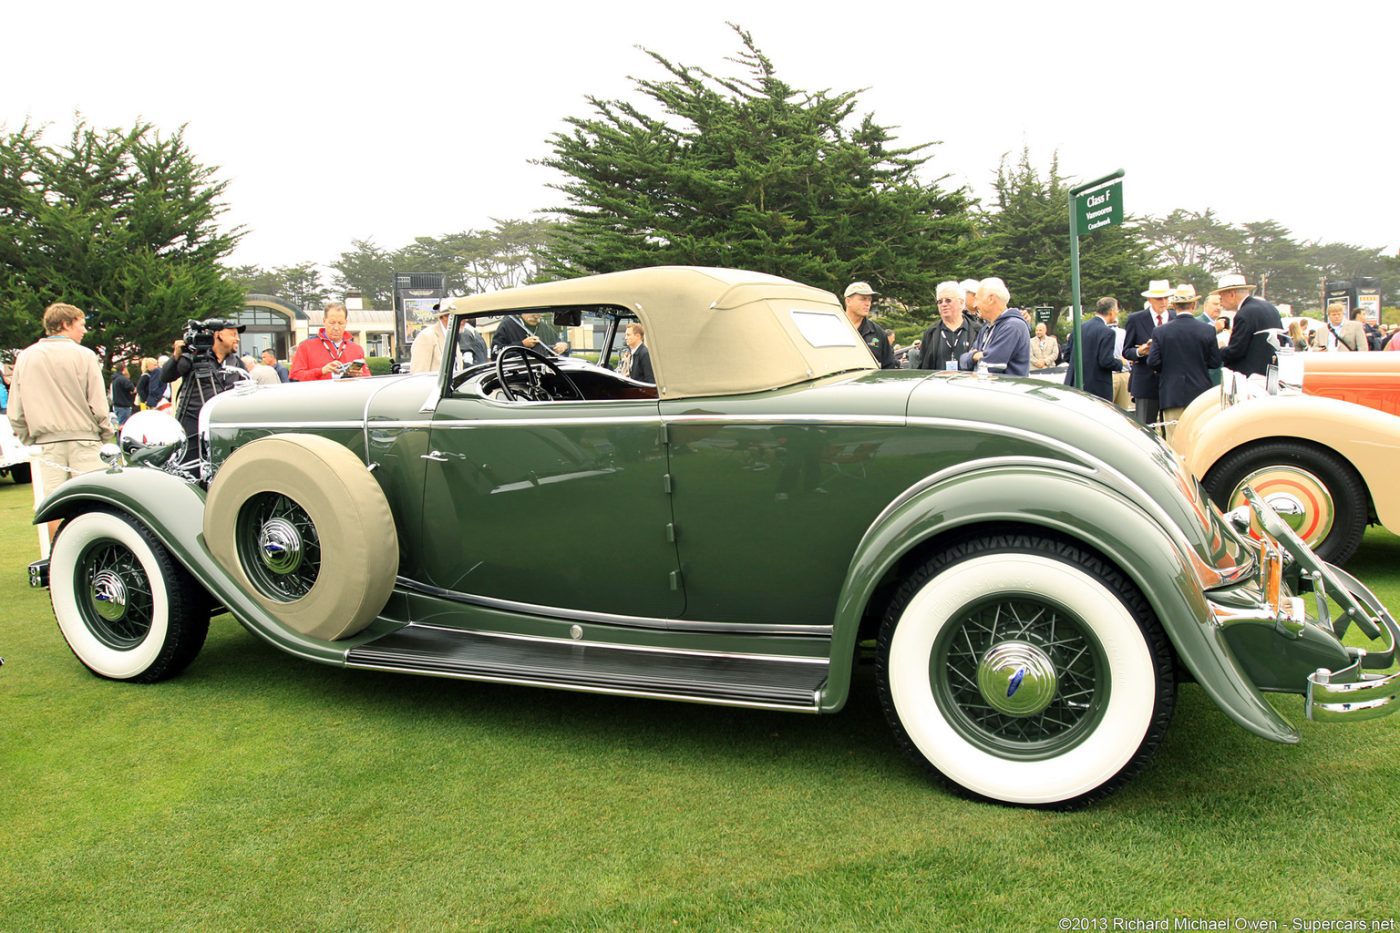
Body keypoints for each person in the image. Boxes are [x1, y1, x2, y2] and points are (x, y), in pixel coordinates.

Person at [8, 303, 114, 540]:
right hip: (85, 441)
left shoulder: (26, 357)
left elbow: (16, 410)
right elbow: (99, 404)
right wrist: (105, 434)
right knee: (93, 504)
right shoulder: (85, 355)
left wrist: (29, 438)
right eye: (81, 324)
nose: (84, 330)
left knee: (54, 505)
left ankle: (57, 555)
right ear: (65, 324)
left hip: (47, 444)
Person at [161, 320, 250, 457]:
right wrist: (176, 356)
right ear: (218, 335)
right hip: (193, 425)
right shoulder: (194, 357)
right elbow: (166, 376)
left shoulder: (237, 363)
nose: (237, 339)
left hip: (224, 426)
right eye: (233, 334)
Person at [1149, 289, 1221, 444]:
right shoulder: (1207, 330)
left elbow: (1153, 361)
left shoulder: (1161, 331)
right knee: (1199, 439)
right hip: (1200, 392)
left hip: (1172, 392)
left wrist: (1168, 368)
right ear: (1194, 305)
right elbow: (1215, 362)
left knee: (1173, 440)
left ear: (1174, 306)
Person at [1122, 280, 1176, 429]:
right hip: (1145, 383)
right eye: (1159, 298)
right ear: (1150, 299)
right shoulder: (1136, 319)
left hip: (1171, 382)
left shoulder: (1176, 317)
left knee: (1173, 429)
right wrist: (1140, 351)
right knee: (1145, 428)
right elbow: (1126, 351)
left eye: (1166, 298)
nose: (1163, 302)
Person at [1216, 273, 1283, 377]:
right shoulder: (1271, 308)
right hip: (1271, 373)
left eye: (1221, 298)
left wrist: (1220, 348)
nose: (1220, 303)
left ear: (1232, 295)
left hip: (1249, 377)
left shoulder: (1244, 314)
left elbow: (1236, 351)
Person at [959, 277, 1029, 376]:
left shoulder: (1012, 327)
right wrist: (975, 356)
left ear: (991, 299)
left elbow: (991, 366)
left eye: (977, 299)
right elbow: (963, 362)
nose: (975, 305)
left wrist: (974, 356)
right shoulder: (986, 328)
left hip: (1006, 386)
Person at [1062, 297, 1122, 401]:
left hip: (1074, 384)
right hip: (1096, 389)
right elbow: (1105, 361)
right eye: (1117, 309)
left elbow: (1067, 355)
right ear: (1111, 312)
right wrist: (1121, 363)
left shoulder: (1079, 328)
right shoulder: (1108, 332)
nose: (1117, 312)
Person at [291, 301, 370, 380]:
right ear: (324, 321)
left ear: (346, 323)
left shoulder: (357, 349)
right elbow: (295, 376)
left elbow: (367, 378)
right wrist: (321, 371)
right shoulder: (306, 346)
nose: (336, 328)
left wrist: (359, 375)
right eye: (332, 323)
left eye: (340, 323)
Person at [917, 281, 980, 372]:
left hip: (968, 381)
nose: (943, 304)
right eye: (940, 301)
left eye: (948, 300)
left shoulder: (977, 331)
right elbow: (922, 367)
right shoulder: (931, 333)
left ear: (961, 303)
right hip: (938, 380)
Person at [843, 281, 896, 369]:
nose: (867, 304)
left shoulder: (878, 333)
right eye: (863, 299)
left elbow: (889, 366)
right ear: (848, 301)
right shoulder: (833, 328)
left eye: (869, 299)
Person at [491, 311, 567, 359]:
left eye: (539, 312)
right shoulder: (507, 325)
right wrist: (522, 344)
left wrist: (563, 347)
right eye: (532, 311)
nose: (536, 316)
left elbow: (559, 348)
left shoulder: (545, 328)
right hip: (517, 375)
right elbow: (495, 353)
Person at [410, 304, 455, 374]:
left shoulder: (453, 335)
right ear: (445, 317)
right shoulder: (426, 337)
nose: (465, 320)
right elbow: (419, 374)